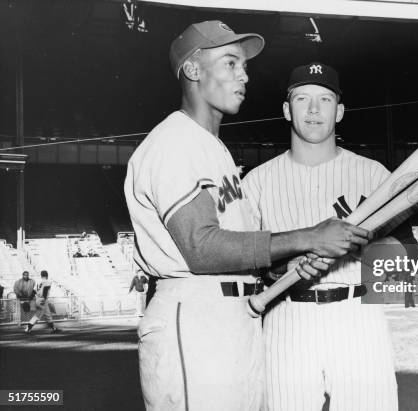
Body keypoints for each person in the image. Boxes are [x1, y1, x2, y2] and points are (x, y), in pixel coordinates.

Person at [123, 24, 369, 411]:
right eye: (231, 62)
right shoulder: (174, 142)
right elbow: (201, 248)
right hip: (196, 319)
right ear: (193, 70)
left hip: (235, 316)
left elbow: (238, 247)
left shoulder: (213, 149)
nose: (245, 74)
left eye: (244, 66)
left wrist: (280, 266)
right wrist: (308, 237)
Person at [243, 62, 416, 411]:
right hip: (286, 318)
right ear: (286, 110)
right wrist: (279, 269)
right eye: (302, 98)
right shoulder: (256, 183)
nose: (313, 109)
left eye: (324, 99)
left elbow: (408, 254)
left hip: (357, 317)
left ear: (339, 111)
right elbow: (242, 261)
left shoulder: (373, 175)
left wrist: (363, 245)